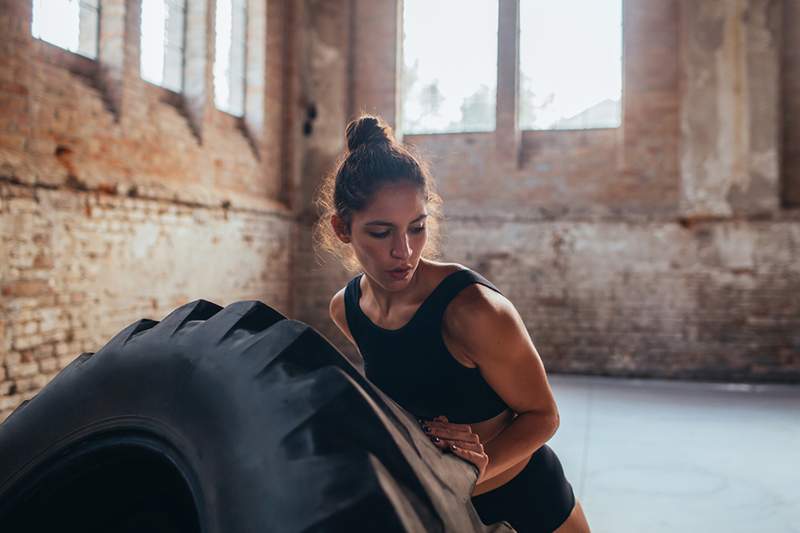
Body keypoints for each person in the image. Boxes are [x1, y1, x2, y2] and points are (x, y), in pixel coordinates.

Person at [313, 113, 591, 533]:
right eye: (381, 232)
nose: (403, 250)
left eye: (417, 228)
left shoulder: (473, 310)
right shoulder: (347, 310)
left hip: (526, 501)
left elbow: (543, 415)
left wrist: (470, 476)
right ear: (342, 229)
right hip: (436, 505)